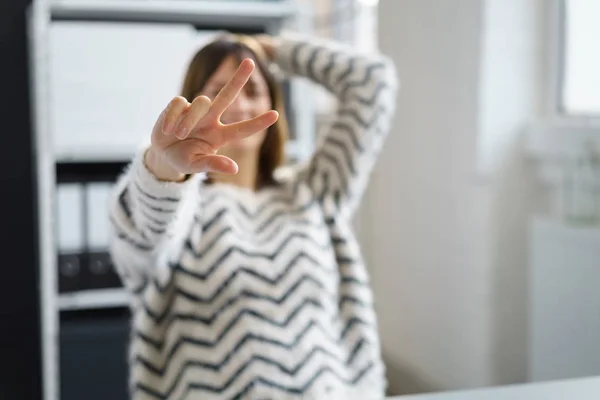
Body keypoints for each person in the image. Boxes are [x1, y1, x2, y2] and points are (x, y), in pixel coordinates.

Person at [109, 32, 398, 400]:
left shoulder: (314, 191)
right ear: (193, 107)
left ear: (273, 106)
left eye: (253, 90)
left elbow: (372, 82)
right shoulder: (182, 206)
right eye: (220, 91)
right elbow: (140, 232)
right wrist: (163, 168)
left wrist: (271, 48)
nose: (240, 106)